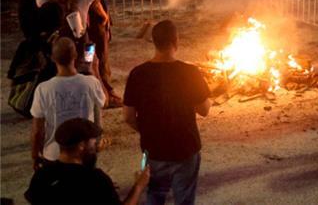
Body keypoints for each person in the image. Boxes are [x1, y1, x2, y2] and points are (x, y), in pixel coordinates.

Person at [123, 20, 211, 205]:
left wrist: (147, 130)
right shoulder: (190, 72)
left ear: (154, 42)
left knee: (154, 196)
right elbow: (204, 110)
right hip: (186, 148)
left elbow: (128, 117)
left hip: (153, 150)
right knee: (184, 200)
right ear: (176, 41)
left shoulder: (137, 74)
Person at [26, 118, 150, 205]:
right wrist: (139, 185)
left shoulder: (41, 175)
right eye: (93, 142)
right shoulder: (95, 179)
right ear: (81, 146)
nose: (96, 146)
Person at [30, 37, 106, 167]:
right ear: (75, 56)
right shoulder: (91, 83)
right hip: (84, 153)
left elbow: (38, 130)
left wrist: (35, 155)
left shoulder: (43, 89)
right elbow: (104, 101)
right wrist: (95, 70)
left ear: (53, 58)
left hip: (54, 155)